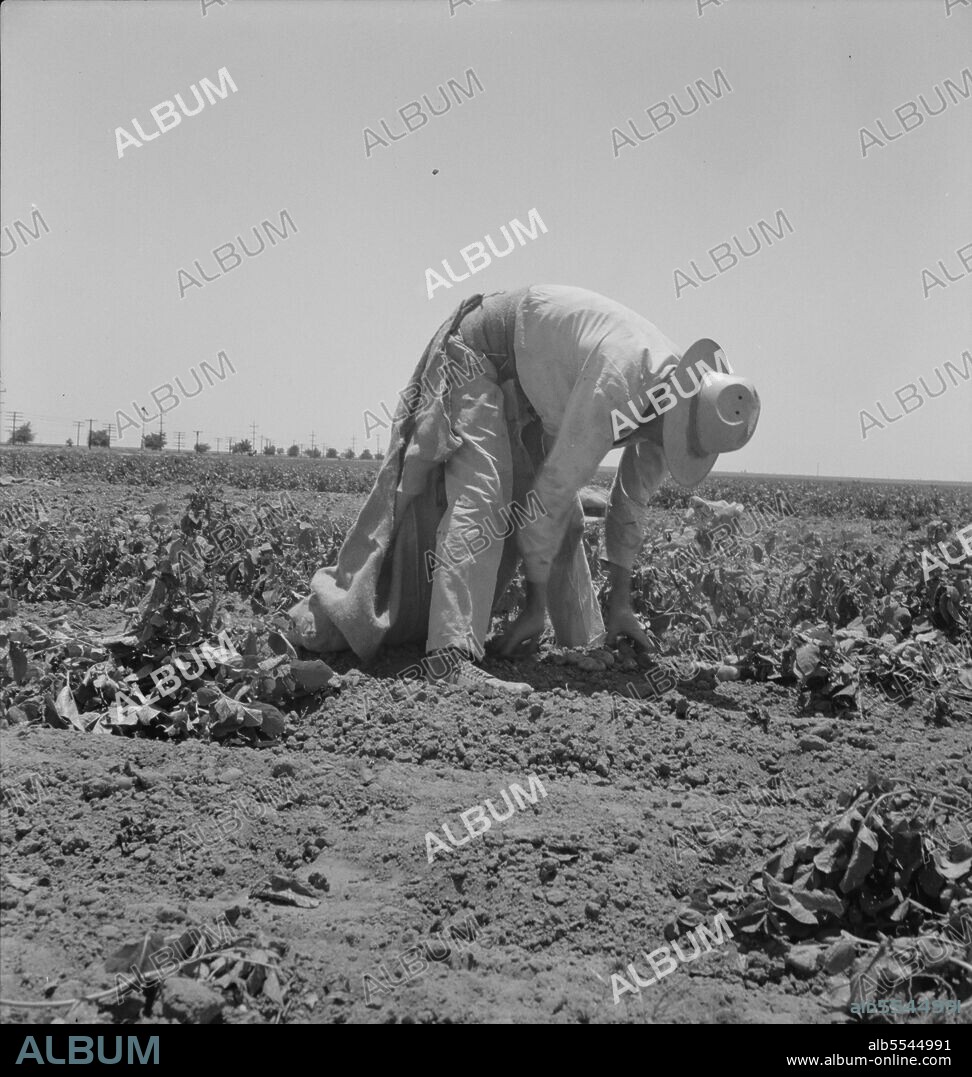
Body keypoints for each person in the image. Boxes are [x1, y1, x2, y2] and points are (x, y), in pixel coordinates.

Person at [286, 284, 760, 693]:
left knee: (570, 521)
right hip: (479, 352)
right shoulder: (620, 379)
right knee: (484, 495)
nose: (669, 446)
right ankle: (449, 659)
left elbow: (628, 507)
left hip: (531, 383)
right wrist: (534, 607)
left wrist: (621, 604)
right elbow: (550, 494)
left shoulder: (679, 410)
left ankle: (591, 645)